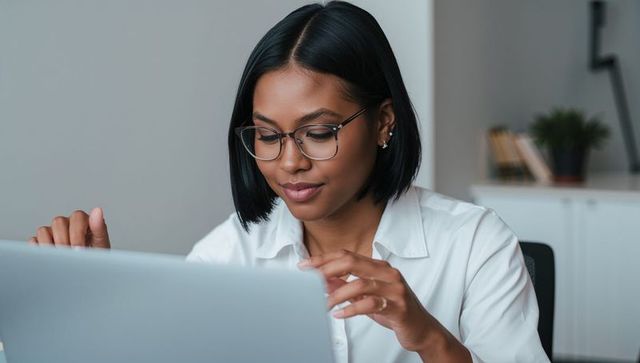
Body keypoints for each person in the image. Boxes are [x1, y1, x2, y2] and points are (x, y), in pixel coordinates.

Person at [28, 2, 549, 362]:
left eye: (318, 133)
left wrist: (431, 339)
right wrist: (88, 304)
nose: (288, 162)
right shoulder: (230, 254)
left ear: (384, 121)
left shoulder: (475, 243)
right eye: (267, 135)